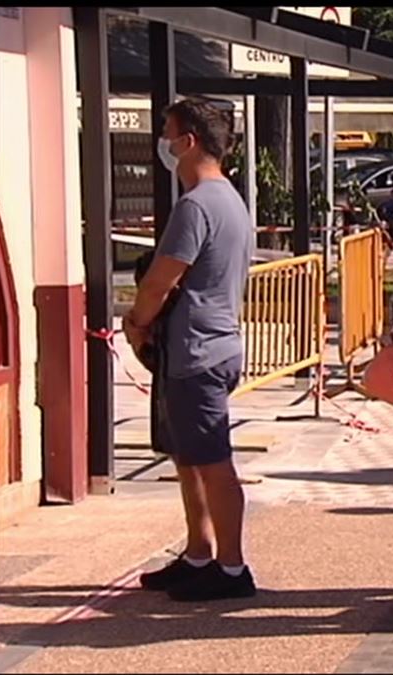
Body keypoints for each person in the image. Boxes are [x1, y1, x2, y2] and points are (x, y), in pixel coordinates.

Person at [127, 99, 256, 601]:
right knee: (188, 457)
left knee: (212, 460)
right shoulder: (229, 200)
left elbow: (162, 279)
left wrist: (137, 320)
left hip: (198, 348)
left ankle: (230, 567)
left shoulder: (198, 205)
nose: (163, 140)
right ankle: (199, 552)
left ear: (190, 141)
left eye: (168, 132)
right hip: (205, 345)